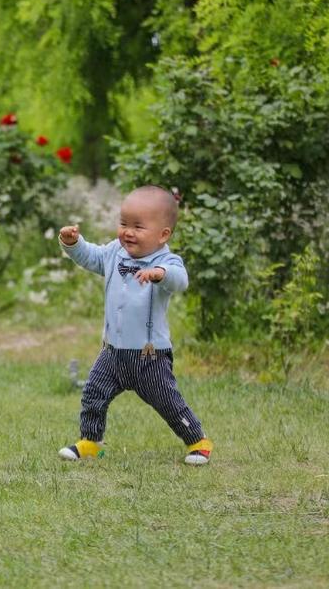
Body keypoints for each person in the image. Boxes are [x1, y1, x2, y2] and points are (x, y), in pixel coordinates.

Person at [55, 185, 213, 465]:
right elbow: (91, 256)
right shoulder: (115, 253)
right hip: (112, 352)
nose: (128, 232)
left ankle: (198, 441)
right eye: (123, 223)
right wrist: (73, 244)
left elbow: (180, 279)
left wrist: (160, 274)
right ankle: (91, 442)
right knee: (93, 393)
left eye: (138, 227)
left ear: (163, 235)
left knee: (167, 401)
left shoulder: (166, 261)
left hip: (149, 355)